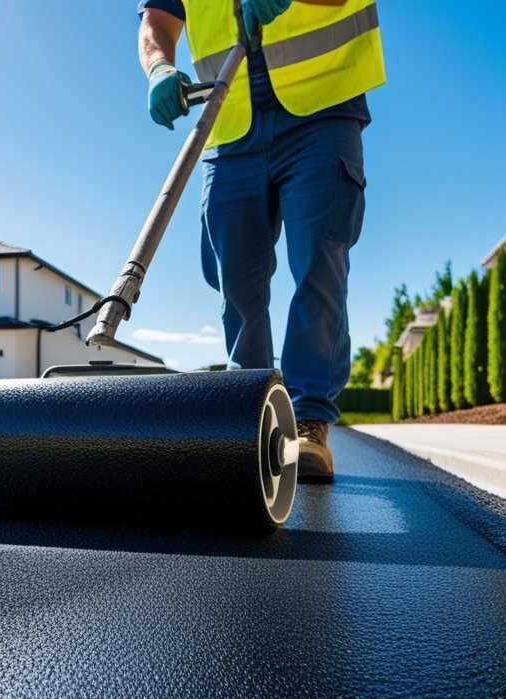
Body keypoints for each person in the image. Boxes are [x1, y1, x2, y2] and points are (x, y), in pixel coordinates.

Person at [137, 0, 385, 481]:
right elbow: (156, 21)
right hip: (227, 123)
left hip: (321, 108)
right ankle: (250, 418)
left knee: (319, 260)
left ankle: (308, 419)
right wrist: (160, 67)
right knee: (236, 282)